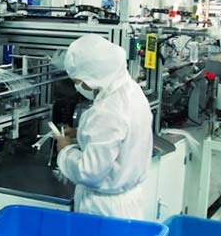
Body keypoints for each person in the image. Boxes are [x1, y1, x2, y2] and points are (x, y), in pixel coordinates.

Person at [53, 34, 153, 220]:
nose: (78, 86)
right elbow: (119, 136)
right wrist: (82, 134)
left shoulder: (106, 111)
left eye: (78, 81)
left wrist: (65, 149)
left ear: (93, 77)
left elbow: (89, 172)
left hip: (103, 209)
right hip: (130, 202)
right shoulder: (131, 90)